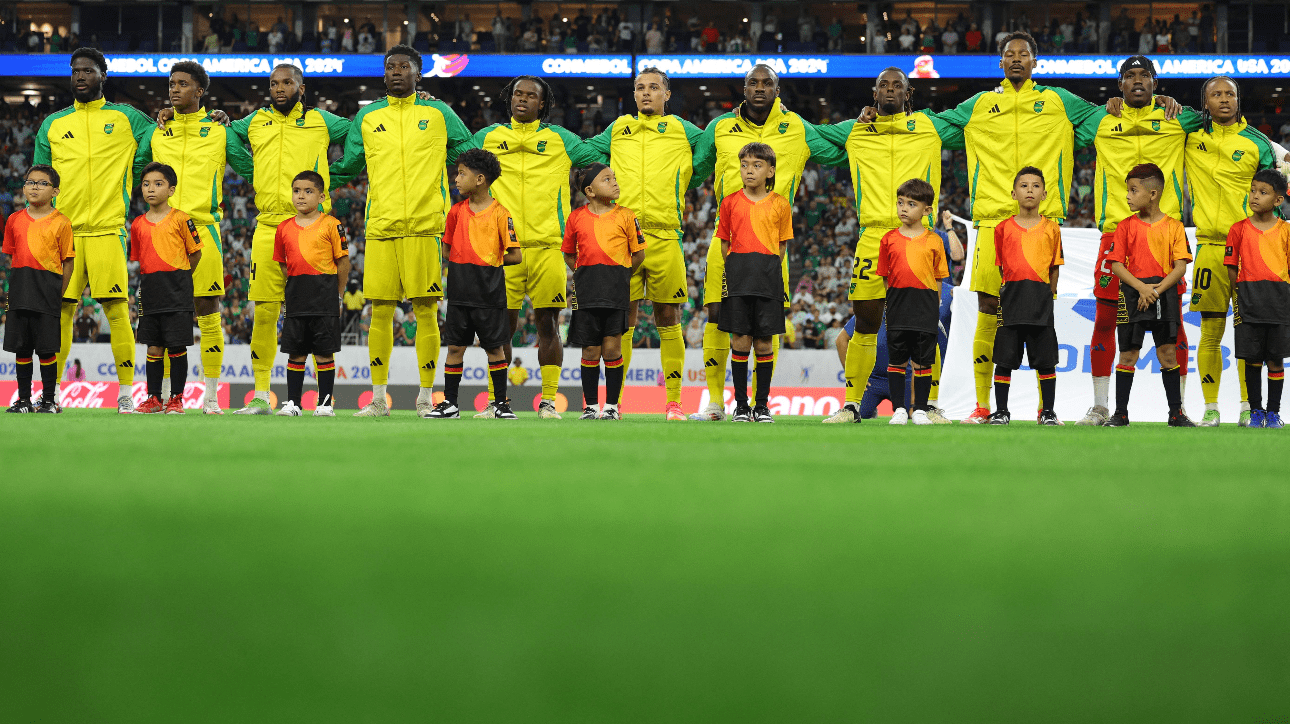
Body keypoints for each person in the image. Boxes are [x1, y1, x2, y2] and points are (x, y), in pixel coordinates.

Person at [924, 32, 1177, 423]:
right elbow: (932, 125)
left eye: (1024, 54)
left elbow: (1119, 115)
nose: (1016, 60)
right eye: (1009, 55)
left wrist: (1151, 101)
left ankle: (1048, 409)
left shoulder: (1060, 101)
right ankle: (981, 405)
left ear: (1035, 61)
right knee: (988, 308)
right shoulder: (979, 105)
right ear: (1000, 62)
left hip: (1045, 224)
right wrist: (888, 118)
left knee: (1042, 312)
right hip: (993, 221)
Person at [689, 64, 846, 421]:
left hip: (772, 247)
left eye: (767, 83)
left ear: (778, 89)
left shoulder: (799, 127)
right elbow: (694, 166)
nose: (759, 88)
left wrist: (869, 122)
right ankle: (716, 403)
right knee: (717, 316)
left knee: (766, 325)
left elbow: (839, 146)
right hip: (725, 237)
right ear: (743, 88)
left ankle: (761, 405)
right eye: (753, 83)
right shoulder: (719, 127)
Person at [330, 45, 477, 418]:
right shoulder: (367, 116)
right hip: (381, 226)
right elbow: (347, 166)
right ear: (383, 75)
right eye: (390, 67)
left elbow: (470, 153)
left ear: (418, 74)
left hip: (428, 226)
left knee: (426, 311)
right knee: (378, 310)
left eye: (404, 67)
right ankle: (378, 399)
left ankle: (426, 398)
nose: (396, 72)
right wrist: (311, 183)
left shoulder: (439, 112)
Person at [814, 67, 962, 423]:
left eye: (898, 86)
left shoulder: (931, 126)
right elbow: (811, 134)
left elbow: (976, 122)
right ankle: (851, 405)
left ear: (908, 94)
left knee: (928, 326)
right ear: (874, 93)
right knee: (865, 323)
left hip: (920, 238)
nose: (891, 90)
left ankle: (929, 406)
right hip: (873, 236)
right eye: (884, 85)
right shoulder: (856, 130)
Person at [1073, 56, 1204, 426]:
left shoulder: (1177, 118)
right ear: (1118, 85)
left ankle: (1178, 408)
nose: (1136, 81)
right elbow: (1057, 127)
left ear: (1155, 83)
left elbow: (1221, 120)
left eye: (1143, 75)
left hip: (1164, 235)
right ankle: (1100, 406)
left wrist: (1281, 156)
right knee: (1104, 320)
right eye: (1128, 76)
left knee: (1172, 325)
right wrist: (1101, 108)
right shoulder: (1101, 119)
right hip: (1116, 233)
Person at [219, 64, 350, 414]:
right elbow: (228, 137)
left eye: (287, 82)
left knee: (317, 314)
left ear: (301, 87)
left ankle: (321, 399)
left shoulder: (323, 120)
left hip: (312, 226)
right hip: (268, 227)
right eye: (274, 83)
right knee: (264, 310)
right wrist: (253, 173)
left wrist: (332, 179)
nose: (279, 88)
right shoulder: (255, 121)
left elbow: (363, 135)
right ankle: (262, 395)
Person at [474, 75, 605, 419]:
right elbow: (456, 146)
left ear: (543, 105)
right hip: (504, 249)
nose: (523, 99)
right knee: (502, 326)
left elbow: (602, 151)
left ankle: (548, 401)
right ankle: (498, 401)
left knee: (548, 323)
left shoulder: (561, 140)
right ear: (510, 98)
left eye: (531, 96)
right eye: (518, 93)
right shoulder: (488, 138)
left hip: (548, 246)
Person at [34, 48, 154, 414]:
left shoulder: (128, 118)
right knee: (60, 312)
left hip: (107, 229)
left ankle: (125, 394)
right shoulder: (53, 124)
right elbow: (39, 180)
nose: (80, 77)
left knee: (117, 310)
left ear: (103, 75)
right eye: (75, 72)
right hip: (63, 234)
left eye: (88, 71)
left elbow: (158, 140)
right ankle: (51, 394)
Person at [585, 67, 703, 420]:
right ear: (633, 94)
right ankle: (614, 404)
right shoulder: (618, 128)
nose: (646, 93)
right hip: (623, 235)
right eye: (640, 88)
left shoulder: (684, 129)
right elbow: (584, 152)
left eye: (654, 87)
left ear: (667, 94)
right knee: (624, 320)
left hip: (666, 234)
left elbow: (715, 146)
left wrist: (686, 179)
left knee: (668, 317)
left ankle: (674, 403)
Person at [149, 61, 255, 414]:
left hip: (203, 229)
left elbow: (254, 168)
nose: (174, 89)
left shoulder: (220, 131)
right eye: (171, 83)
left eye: (182, 83)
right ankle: (162, 396)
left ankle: (210, 396)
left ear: (200, 91)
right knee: (163, 316)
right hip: (162, 232)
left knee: (208, 311)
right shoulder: (157, 131)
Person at [1186, 76, 1278, 426]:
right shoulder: (1190, 136)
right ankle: (1211, 408)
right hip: (1210, 246)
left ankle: (1246, 406)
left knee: (1249, 330)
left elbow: (1273, 194)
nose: (1224, 99)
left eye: (1230, 94)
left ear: (1238, 100)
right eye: (1216, 94)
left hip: (1250, 248)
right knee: (1210, 330)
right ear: (1205, 102)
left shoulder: (1256, 142)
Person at [427, 149, 521, 420]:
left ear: (480, 179)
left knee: (494, 348)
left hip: (490, 294)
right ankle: (450, 404)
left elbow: (515, 255)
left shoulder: (502, 214)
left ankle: (501, 404)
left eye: (462, 173)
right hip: (458, 293)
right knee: (455, 348)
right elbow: (446, 251)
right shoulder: (455, 213)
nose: (456, 178)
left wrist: (488, 261)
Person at [1104, 163, 1193, 427]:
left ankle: (1176, 413)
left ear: (1153, 194)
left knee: (1167, 353)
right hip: (1133, 294)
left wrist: (1154, 290)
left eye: (1133, 190)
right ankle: (1120, 413)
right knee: (1128, 355)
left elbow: (1180, 266)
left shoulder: (1175, 227)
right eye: (1127, 191)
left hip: (1163, 294)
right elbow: (1116, 264)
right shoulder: (1124, 226)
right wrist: (1142, 288)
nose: (1128, 196)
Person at [715, 143, 793, 423]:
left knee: (763, 342)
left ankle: (761, 405)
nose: (749, 170)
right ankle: (740, 405)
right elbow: (725, 244)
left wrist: (765, 269)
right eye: (745, 164)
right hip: (738, 278)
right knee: (740, 340)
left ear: (770, 170)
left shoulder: (781, 204)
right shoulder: (729, 202)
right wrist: (738, 269)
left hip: (768, 279)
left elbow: (781, 247)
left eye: (757, 165)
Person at [563, 164, 646, 421]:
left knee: (612, 348)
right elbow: (568, 253)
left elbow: (639, 254)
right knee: (590, 349)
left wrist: (618, 275)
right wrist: (587, 273)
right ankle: (590, 407)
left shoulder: (626, 215)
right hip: (586, 290)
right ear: (590, 190)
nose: (614, 183)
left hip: (616, 290)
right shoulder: (576, 217)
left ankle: (611, 406)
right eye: (607, 179)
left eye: (614, 178)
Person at [988, 168, 1064, 425]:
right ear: (1013, 193)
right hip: (1011, 300)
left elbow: (1055, 266)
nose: (1029, 190)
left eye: (1035, 186)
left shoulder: (1052, 229)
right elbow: (1002, 266)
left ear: (1044, 193)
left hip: (1040, 300)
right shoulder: (1002, 229)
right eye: (1023, 185)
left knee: (1045, 361)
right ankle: (1001, 411)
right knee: (1004, 359)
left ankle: (1048, 412)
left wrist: (1048, 295)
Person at [272, 171, 349, 417]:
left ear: (321, 195)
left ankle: (325, 404)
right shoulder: (283, 228)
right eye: (297, 191)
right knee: (296, 352)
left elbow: (343, 262)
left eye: (308, 191)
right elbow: (283, 264)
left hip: (325, 297)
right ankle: (293, 403)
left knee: (324, 352)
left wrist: (338, 295)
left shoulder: (332, 225)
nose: (301, 196)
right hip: (296, 297)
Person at [129, 163, 204, 415]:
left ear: (171, 190)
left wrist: (180, 277)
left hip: (177, 291)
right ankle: (153, 398)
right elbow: (140, 259)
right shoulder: (138, 224)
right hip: (150, 291)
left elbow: (196, 254)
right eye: (146, 184)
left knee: (176, 346)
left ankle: (176, 399)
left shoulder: (182, 219)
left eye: (158, 184)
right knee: (153, 347)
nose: (151, 189)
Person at [2, 165, 73, 413]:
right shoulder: (13, 220)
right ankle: (23, 400)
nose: (34, 187)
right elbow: (11, 257)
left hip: (47, 294)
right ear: (23, 188)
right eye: (30, 182)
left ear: (55, 191)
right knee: (22, 348)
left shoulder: (62, 222)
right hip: (20, 292)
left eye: (42, 183)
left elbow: (68, 262)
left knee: (46, 350)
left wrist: (57, 293)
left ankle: (49, 400)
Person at [876, 179, 948, 425]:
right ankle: (898, 409)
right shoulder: (888, 239)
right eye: (900, 203)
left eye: (911, 204)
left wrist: (934, 306)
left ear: (927, 210)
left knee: (922, 361)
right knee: (897, 360)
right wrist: (893, 301)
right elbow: (886, 277)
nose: (903, 208)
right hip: (898, 304)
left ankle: (919, 409)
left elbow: (939, 278)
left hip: (925, 306)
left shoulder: (934, 240)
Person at [1223, 170, 1290, 428]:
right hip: (1248, 301)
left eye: (1263, 192)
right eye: (1253, 191)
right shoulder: (1238, 229)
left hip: (1278, 302)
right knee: (1251, 359)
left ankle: (1274, 412)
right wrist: (1241, 293)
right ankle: (1255, 411)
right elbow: (1231, 266)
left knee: (1275, 359)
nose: (1255, 196)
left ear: (1278, 200)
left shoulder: (1285, 230)